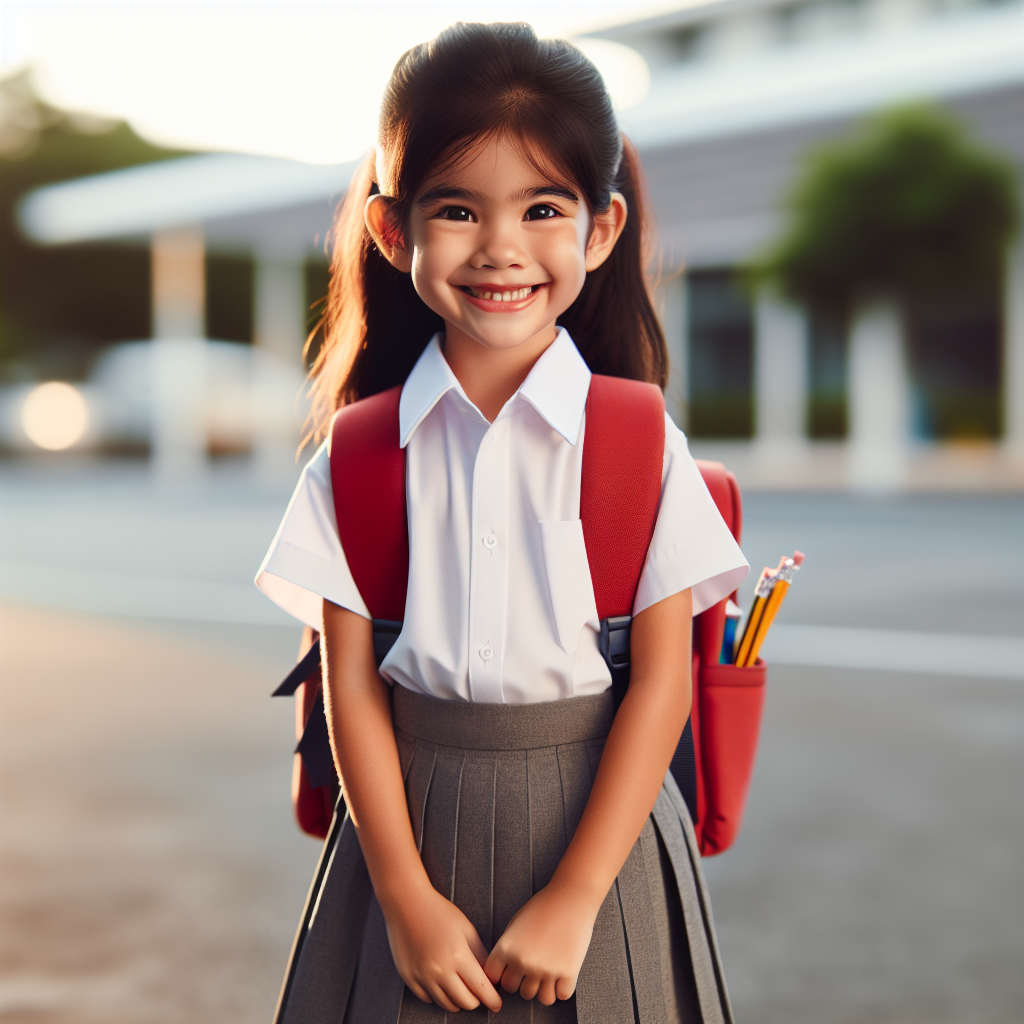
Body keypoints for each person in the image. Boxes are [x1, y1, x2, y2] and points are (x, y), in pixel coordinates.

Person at [256, 21, 748, 1024]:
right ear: (394, 234)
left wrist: (574, 900)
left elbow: (660, 683)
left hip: (598, 841)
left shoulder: (636, 440)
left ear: (599, 230)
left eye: (541, 207)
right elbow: (349, 681)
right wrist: (403, 901)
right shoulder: (354, 455)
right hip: (404, 831)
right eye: (456, 209)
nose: (501, 248)